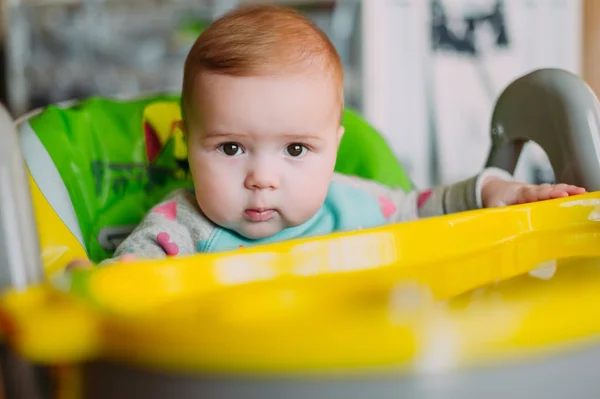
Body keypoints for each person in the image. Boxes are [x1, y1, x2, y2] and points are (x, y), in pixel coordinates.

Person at [71, 3, 585, 266]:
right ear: (186, 144)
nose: (262, 179)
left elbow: (424, 207)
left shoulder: (354, 204)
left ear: (334, 148)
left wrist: (490, 191)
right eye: (231, 148)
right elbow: (130, 280)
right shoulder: (178, 227)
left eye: (296, 149)